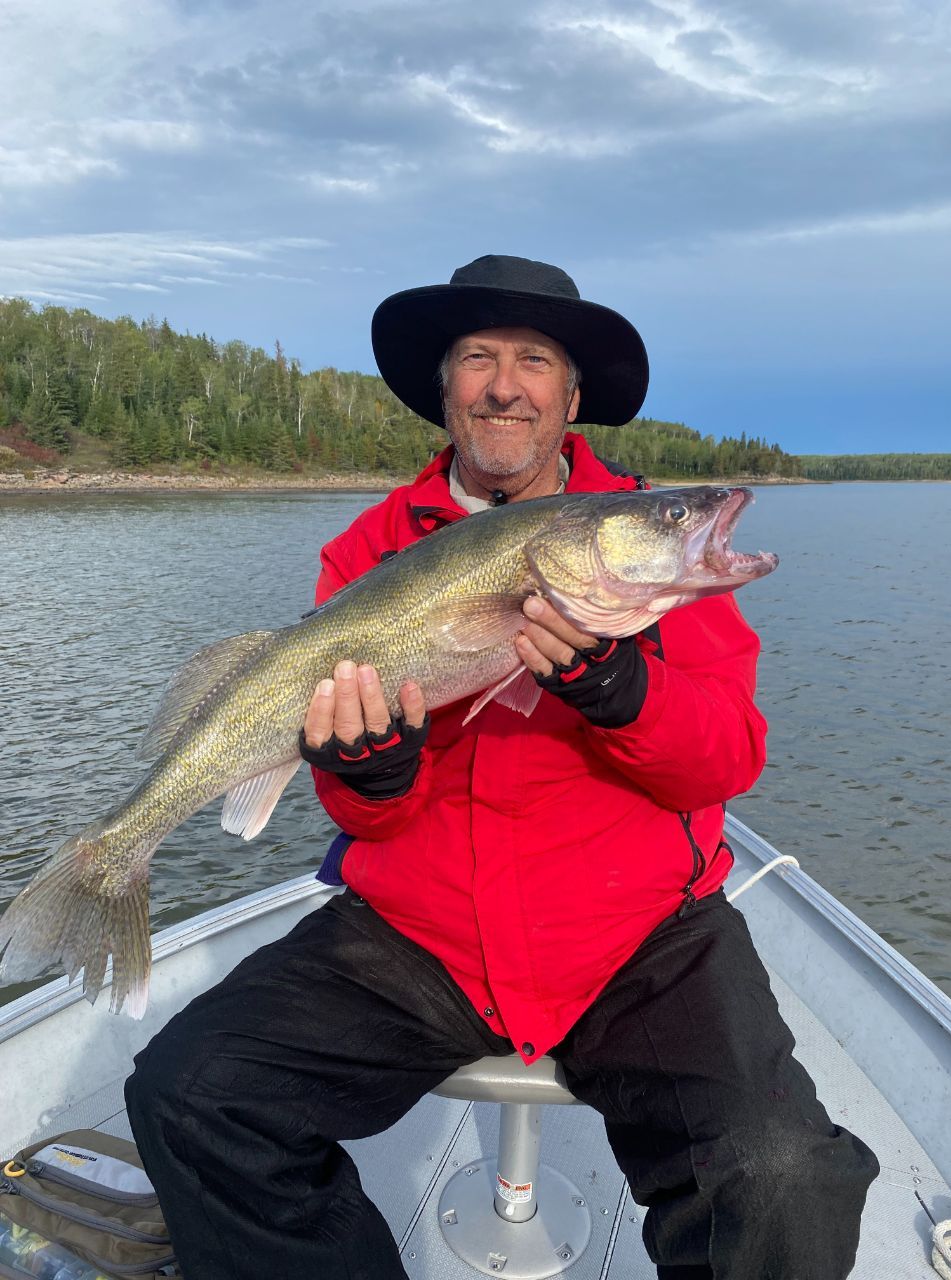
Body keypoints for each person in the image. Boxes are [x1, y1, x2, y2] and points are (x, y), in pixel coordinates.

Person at [125, 255, 879, 1279]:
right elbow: (365, 816)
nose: (504, 382)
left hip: (638, 929)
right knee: (189, 1094)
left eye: (535, 360)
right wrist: (376, 771)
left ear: (572, 400)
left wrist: (624, 691)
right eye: (477, 357)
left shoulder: (643, 559)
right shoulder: (369, 549)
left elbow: (728, 760)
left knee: (784, 1171)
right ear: (445, 391)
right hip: (421, 929)